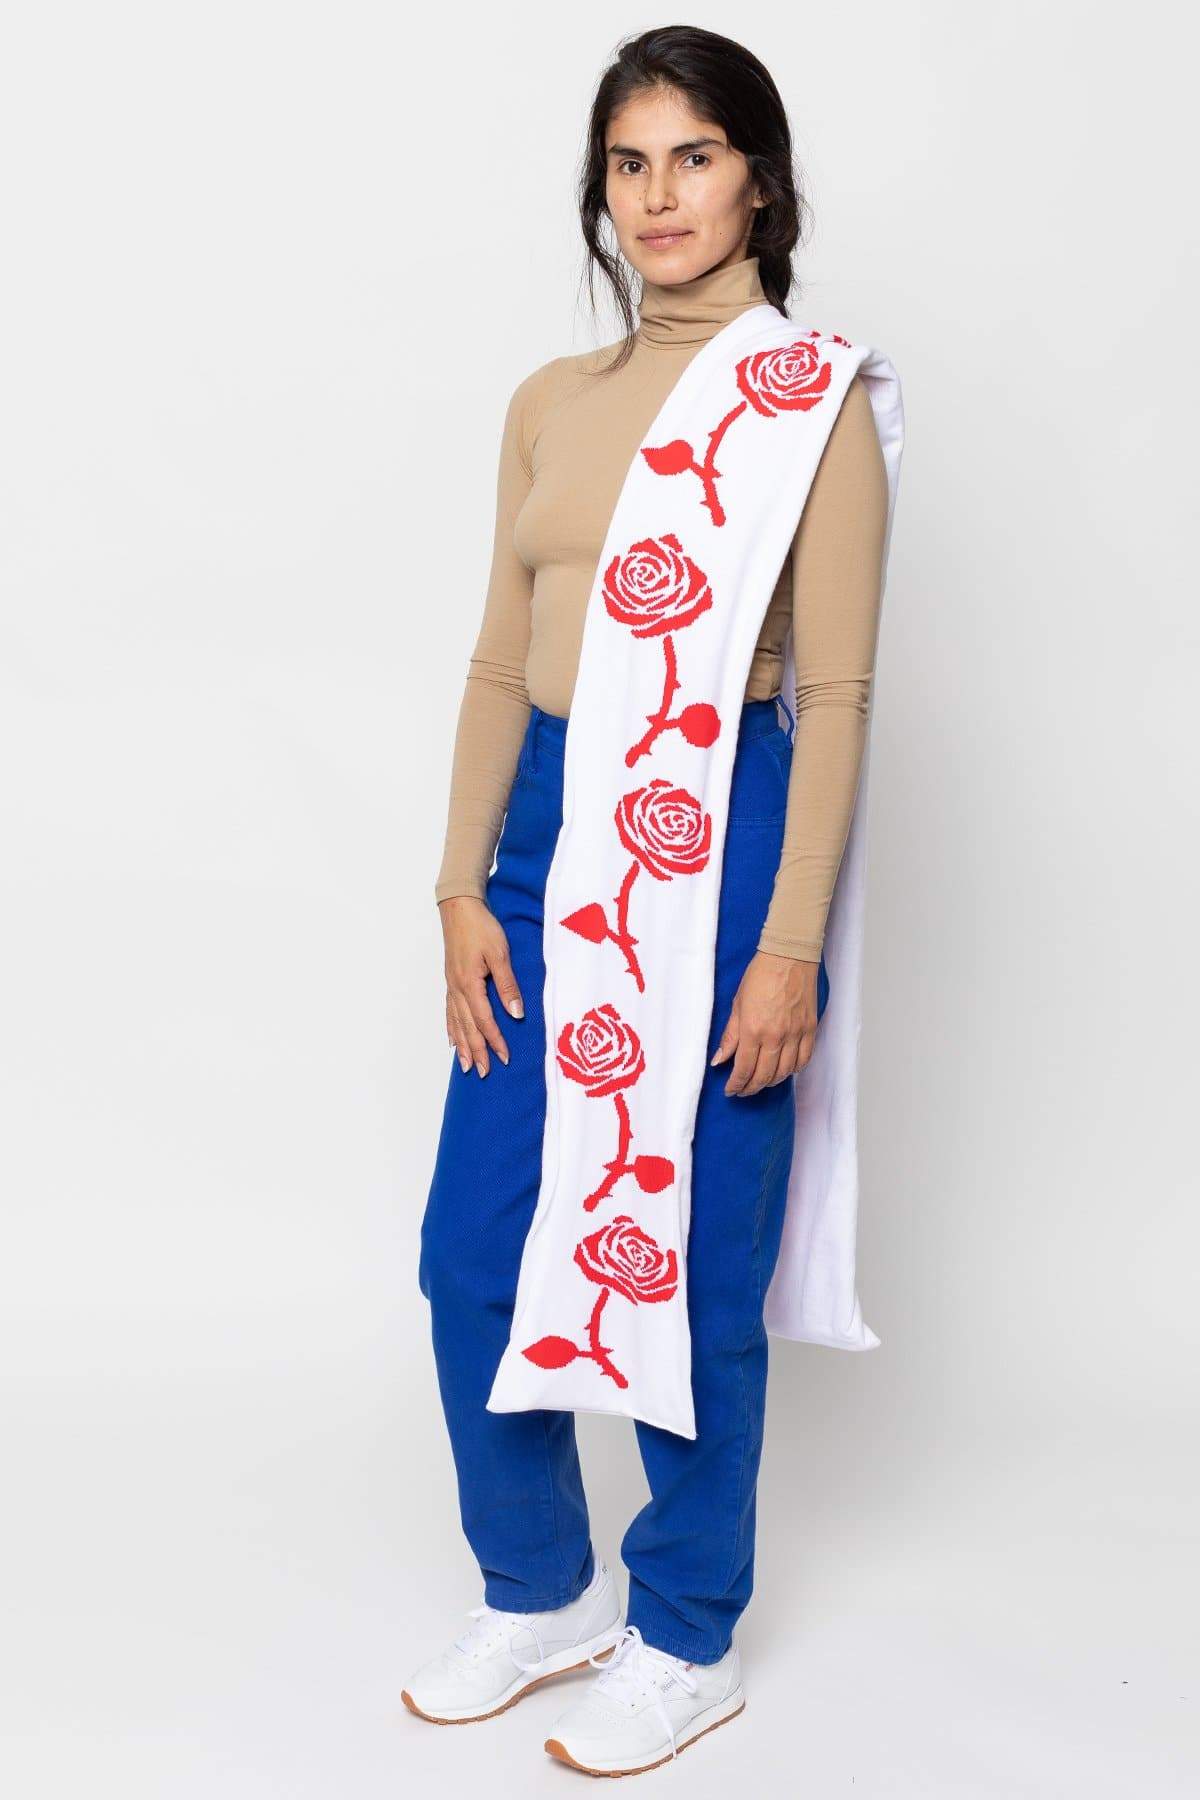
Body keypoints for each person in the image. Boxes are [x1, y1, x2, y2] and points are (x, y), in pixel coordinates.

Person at [404, 25, 890, 1779]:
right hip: (545, 836)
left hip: (714, 828)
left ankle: (687, 1631)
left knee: (689, 1258)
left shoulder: (810, 403)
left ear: (759, 180)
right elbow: (496, 657)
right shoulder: (550, 399)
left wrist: (789, 944)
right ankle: (536, 1591)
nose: (660, 195)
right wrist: (462, 884)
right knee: (473, 1251)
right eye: (629, 163)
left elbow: (834, 692)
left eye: (695, 156)